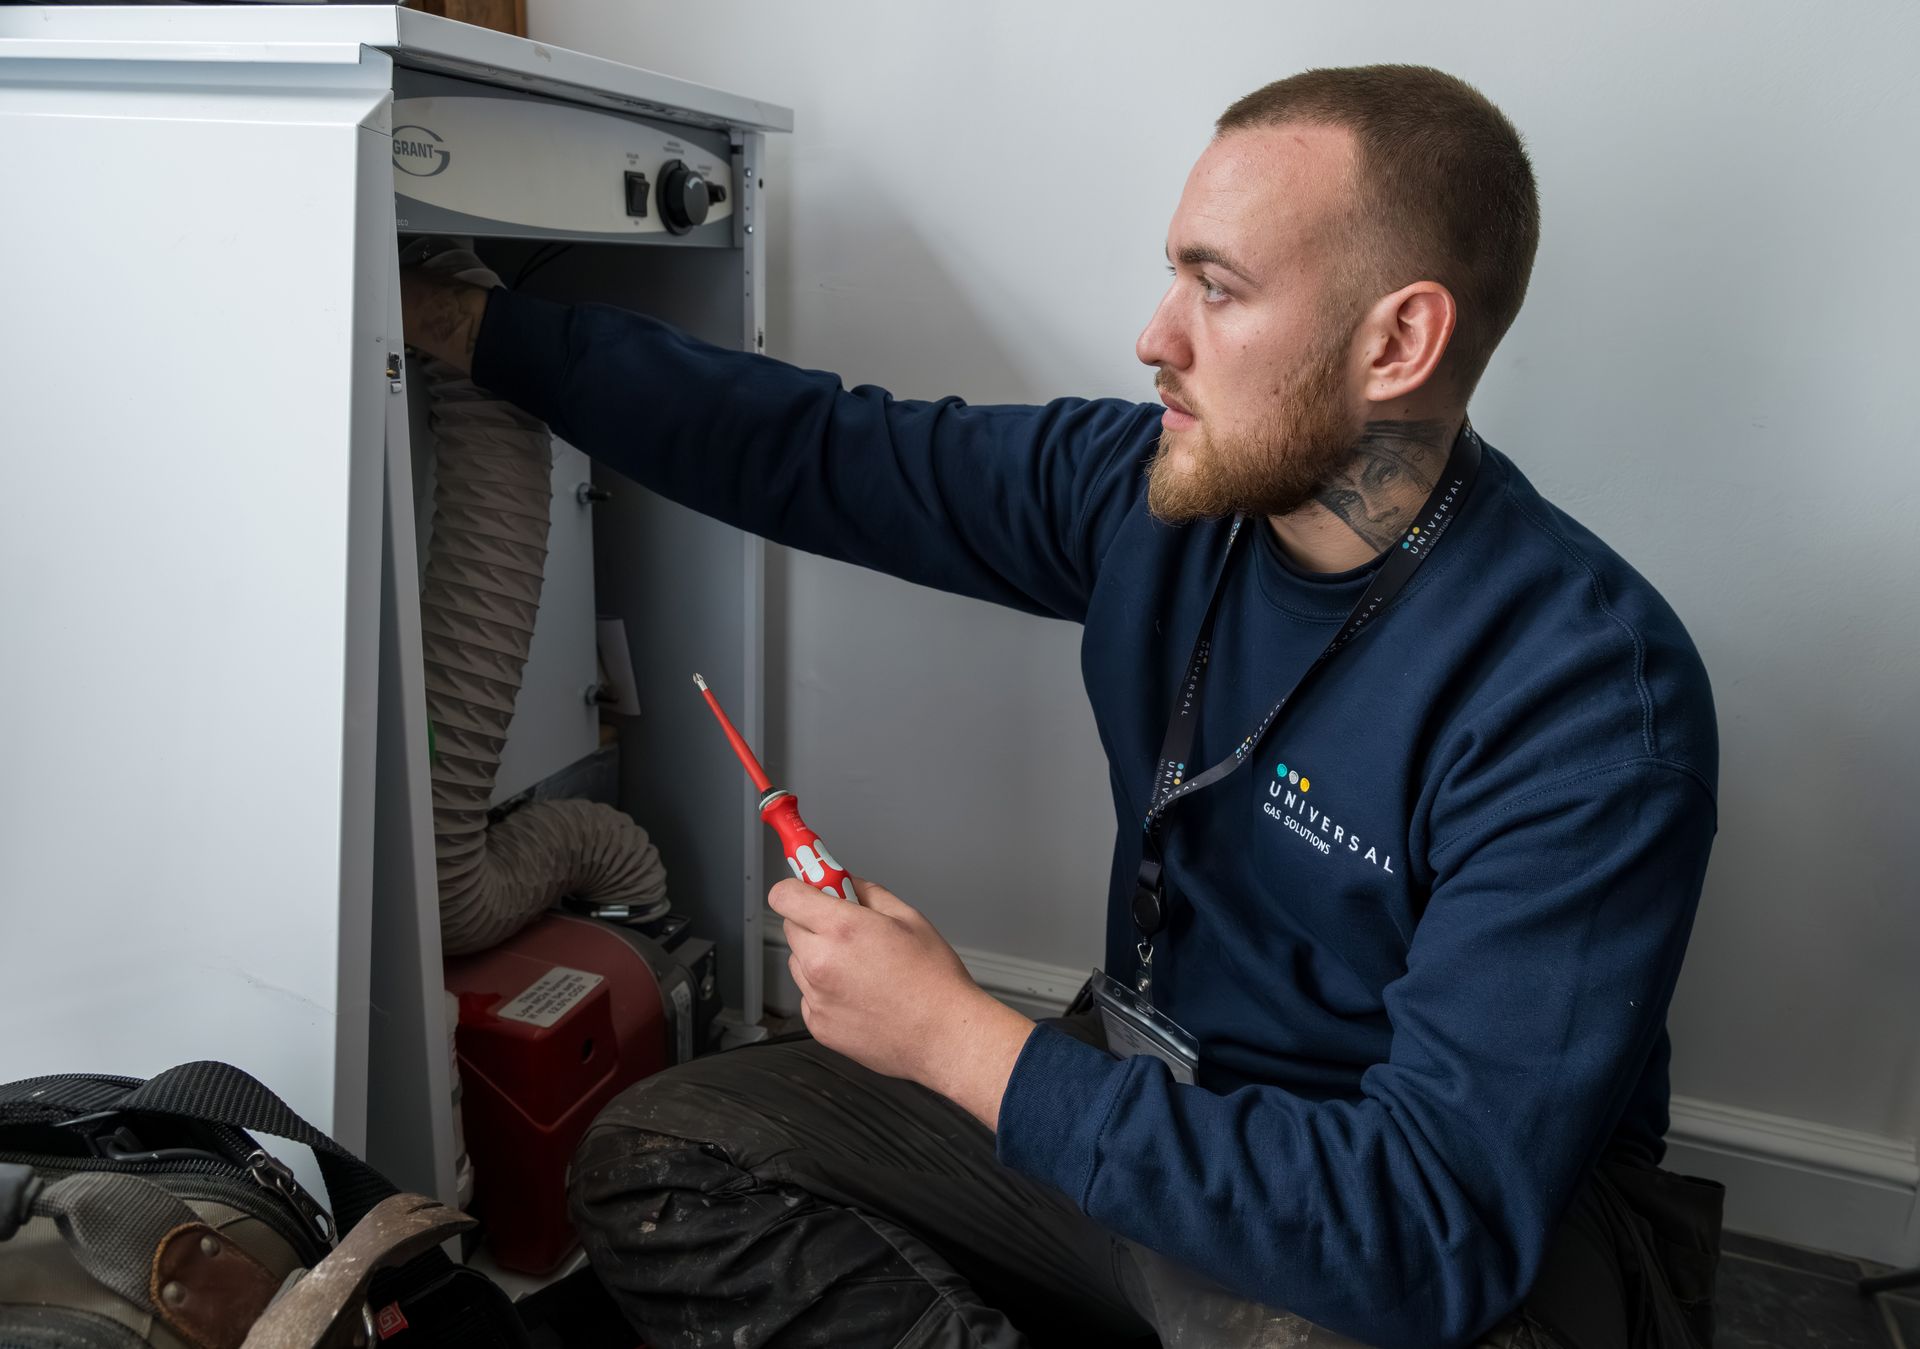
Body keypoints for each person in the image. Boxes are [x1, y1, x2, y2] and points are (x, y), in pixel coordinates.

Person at [403, 64, 1724, 1349]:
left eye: (1219, 286)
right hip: (1152, 1107)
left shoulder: (1589, 696)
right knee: (663, 1157)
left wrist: (957, 1039)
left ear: (1398, 340)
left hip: (1386, 1231)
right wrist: (472, 330)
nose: (1156, 336)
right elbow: (811, 449)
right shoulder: (1145, 492)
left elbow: (1427, 1229)